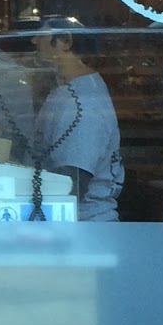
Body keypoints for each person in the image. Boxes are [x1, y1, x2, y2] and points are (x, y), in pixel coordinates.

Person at [28, 18, 123, 222]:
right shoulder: (70, 92)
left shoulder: (81, 103)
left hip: (82, 227)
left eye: (41, 35)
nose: (34, 41)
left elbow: (72, 184)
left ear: (65, 41)